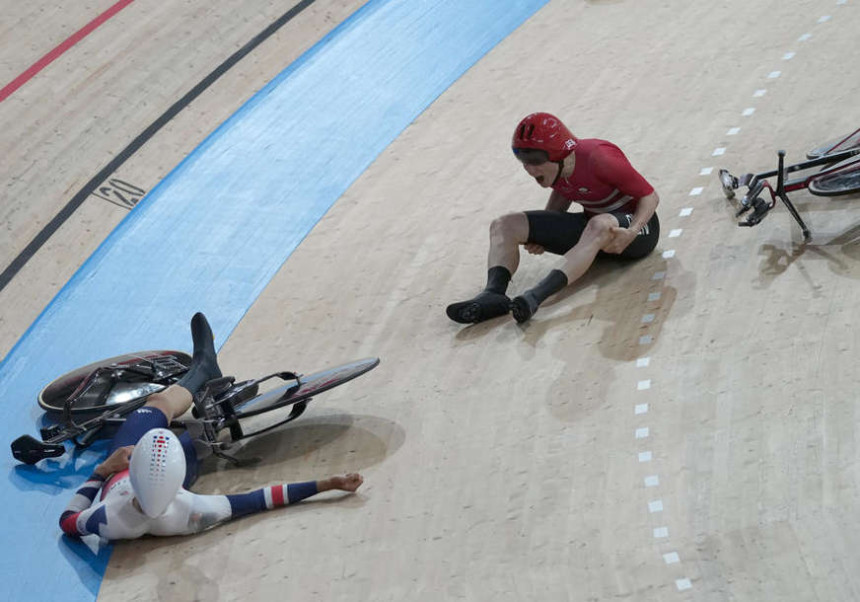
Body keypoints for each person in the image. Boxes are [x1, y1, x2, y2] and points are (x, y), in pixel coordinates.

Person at [59, 313, 363, 540]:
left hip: (118, 469)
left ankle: (203, 372)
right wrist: (328, 484)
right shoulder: (188, 512)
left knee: (155, 404)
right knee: (206, 433)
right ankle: (212, 389)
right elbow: (261, 500)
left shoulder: (108, 519)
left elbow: (67, 520)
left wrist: (101, 472)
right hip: (145, 469)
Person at [446, 112, 660, 324]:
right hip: (594, 235)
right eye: (522, 159)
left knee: (599, 223)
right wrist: (542, 235)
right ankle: (493, 294)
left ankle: (535, 297)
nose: (529, 168)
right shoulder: (559, 169)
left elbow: (650, 197)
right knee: (504, 224)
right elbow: (563, 193)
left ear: (560, 154)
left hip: (637, 233)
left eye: (535, 160)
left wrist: (632, 232)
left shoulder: (599, 157)